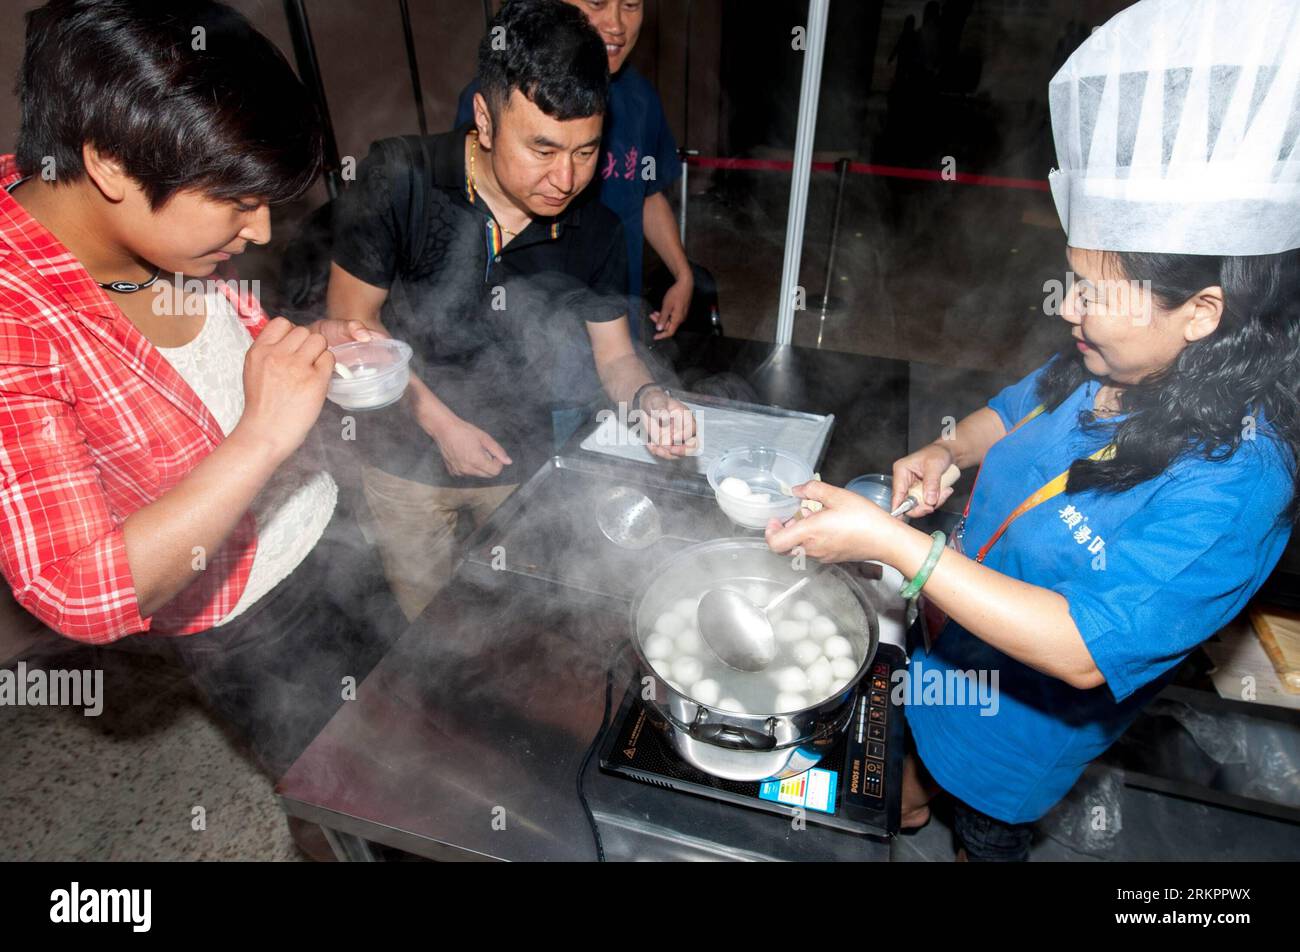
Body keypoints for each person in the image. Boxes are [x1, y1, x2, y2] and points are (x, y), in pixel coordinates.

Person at [765, 0, 1300, 861]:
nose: (1071, 311)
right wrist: (947, 449)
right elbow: (1014, 409)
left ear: (1202, 313)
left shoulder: (1239, 484)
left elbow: (1084, 648)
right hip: (942, 654)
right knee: (900, 781)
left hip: (1015, 740)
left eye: (1097, 294)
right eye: (1071, 280)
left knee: (981, 831)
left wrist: (905, 551)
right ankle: (904, 809)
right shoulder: (1108, 361)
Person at [0, 0, 401, 780]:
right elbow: (78, 588)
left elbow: (208, 350)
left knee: (415, 715)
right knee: (355, 787)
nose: (258, 233)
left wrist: (302, 346)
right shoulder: (15, 322)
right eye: (238, 201)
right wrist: (262, 436)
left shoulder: (138, 216)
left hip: (325, 523)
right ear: (110, 163)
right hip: (249, 616)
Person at [328, 0, 696, 621]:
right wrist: (441, 424)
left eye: (586, 152)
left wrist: (649, 401)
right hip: (404, 464)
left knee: (511, 623)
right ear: (485, 118)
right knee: (430, 626)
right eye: (543, 149)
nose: (565, 178)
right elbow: (349, 326)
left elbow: (616, 359)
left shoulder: (596, 227)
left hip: (520, 462)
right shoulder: (399, 177)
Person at [456, 0, 693, 342]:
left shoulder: (642, 97)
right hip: (531, 329)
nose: (616, 24)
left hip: (616, 313)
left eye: (630, 5)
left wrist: (682, 274)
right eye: (597, 2)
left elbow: (647, 194)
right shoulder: (506, 98)